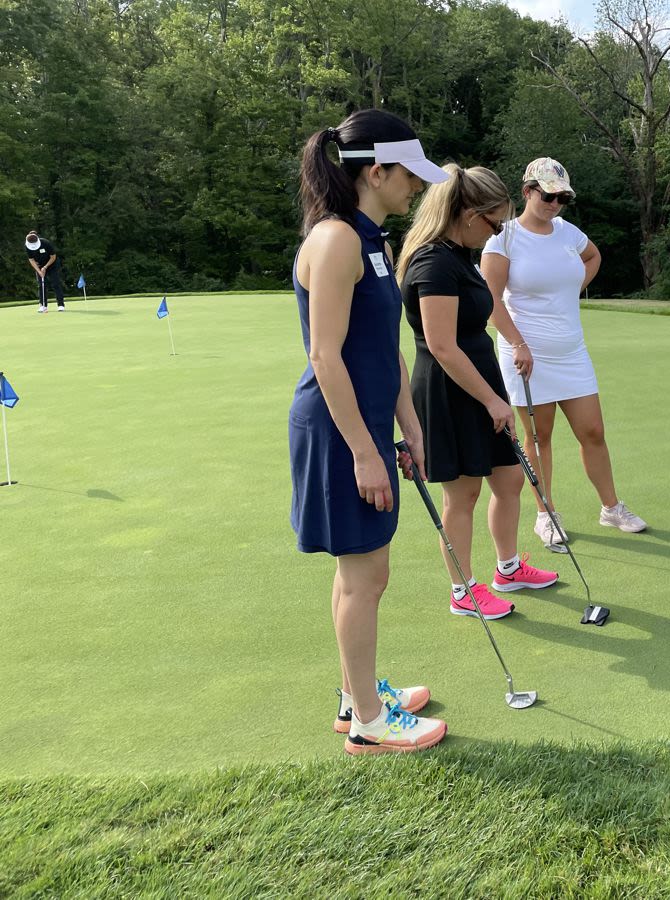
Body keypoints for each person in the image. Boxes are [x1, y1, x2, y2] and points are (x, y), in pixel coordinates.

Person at [290, 109, 450, 755]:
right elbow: (324, 358)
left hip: (366, 426)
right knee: (366, 576)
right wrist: (365, 452)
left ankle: (355, 694)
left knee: (361, 572)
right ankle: (369, 723)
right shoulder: (335, 241)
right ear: (375, 170)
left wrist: (407, 428)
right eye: (408, 174)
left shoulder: (374, 241)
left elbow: (388, 349)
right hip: (337, 430)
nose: (416, 186)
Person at [397, 163, 558, 622]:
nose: (498, 233)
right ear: (468, 214)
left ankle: (507, 569)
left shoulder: (459, 256)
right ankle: (463, 590)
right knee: (462, 495)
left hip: (481, 383)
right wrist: (491, 399)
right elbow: (442, 346)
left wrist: (495, 390)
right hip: (450, 393)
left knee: (507, 480)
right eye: (495, 223)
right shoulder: (433, 262)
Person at [481, 157, 647, 548]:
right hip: (525, 354)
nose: (555, 204)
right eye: (548, 196)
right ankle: (546, 513)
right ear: (527, 192)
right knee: (539, 437)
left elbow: (594, 256)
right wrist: (518, 343)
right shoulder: (502, 238)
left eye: (563, 198)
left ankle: (611, 507)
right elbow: (489, 299)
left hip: (571, 350)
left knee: (593, 431)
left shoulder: (568, 232)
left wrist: (572, 289)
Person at [25, 232, 66, 312]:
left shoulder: (45, 243)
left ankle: (61, 305)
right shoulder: (27, 245)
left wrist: (45, 267)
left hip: (52, 265)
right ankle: (43, 305)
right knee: (41, 285)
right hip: (39, 266)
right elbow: (31, 260)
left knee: (55, 283)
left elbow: (53, 256)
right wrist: (39, 271)